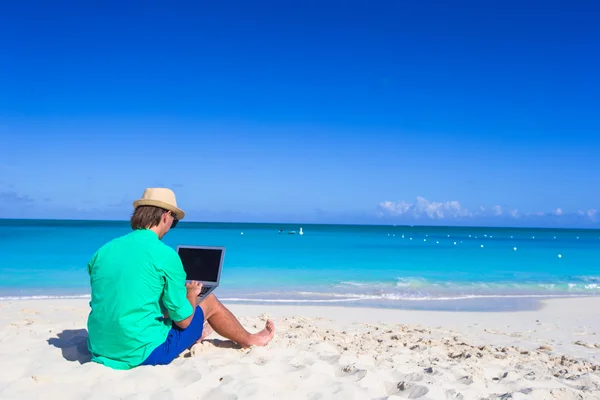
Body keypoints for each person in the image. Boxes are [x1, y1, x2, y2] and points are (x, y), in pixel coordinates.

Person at [86, 187, 275, 370]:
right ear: (166, 216)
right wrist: (192, 293)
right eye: (173, 221)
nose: (171, 226)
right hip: (143, 352)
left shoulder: (102, 252)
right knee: (208, 301)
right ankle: (250, 339)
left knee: (159, 305)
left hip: (99, 347)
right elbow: (184, 321)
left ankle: (200, 332)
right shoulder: (165, 255)